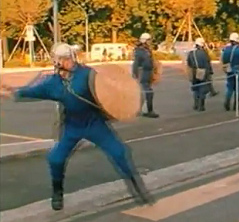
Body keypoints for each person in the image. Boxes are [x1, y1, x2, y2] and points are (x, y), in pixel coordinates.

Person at [0, 43, 153, 211]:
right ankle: (57, 192)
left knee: (120, 153)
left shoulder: (87, 74)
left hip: (95, 124)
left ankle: (138, 189)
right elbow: (30, 91)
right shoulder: (52, 84)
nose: (70, 61)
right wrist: (11, 90)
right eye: (65, 59)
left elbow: (110, 90)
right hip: (72, 127)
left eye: (70, 57)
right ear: (57, 62)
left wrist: (127, 100)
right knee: (55, 159)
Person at [132, 33, 159, 118]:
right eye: (149, 40)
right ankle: (148, 110)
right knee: (147, 92)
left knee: (147, 92)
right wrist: (135, 74)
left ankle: (145, 110)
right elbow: (136, 63)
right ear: (144, 41)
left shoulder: (146, 50)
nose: (150, 42)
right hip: (143, 73)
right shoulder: (140, 51)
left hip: (148, 72)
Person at [221, 33, 239, 111]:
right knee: (237, 88)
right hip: (237, 70)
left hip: (229, 69)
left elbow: (224, 60)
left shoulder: (226, 49)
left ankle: (227, 102)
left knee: (229, 87)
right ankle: (236, 105)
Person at [186, 38, 212, 111]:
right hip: (202, 72)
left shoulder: (191, 53)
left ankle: (196, 104)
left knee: (196, 89)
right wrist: (210, 72)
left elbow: (189, 64)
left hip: (194, 72)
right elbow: (207, 64)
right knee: (202, 89)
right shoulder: (204, 53)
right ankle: (201, 106)